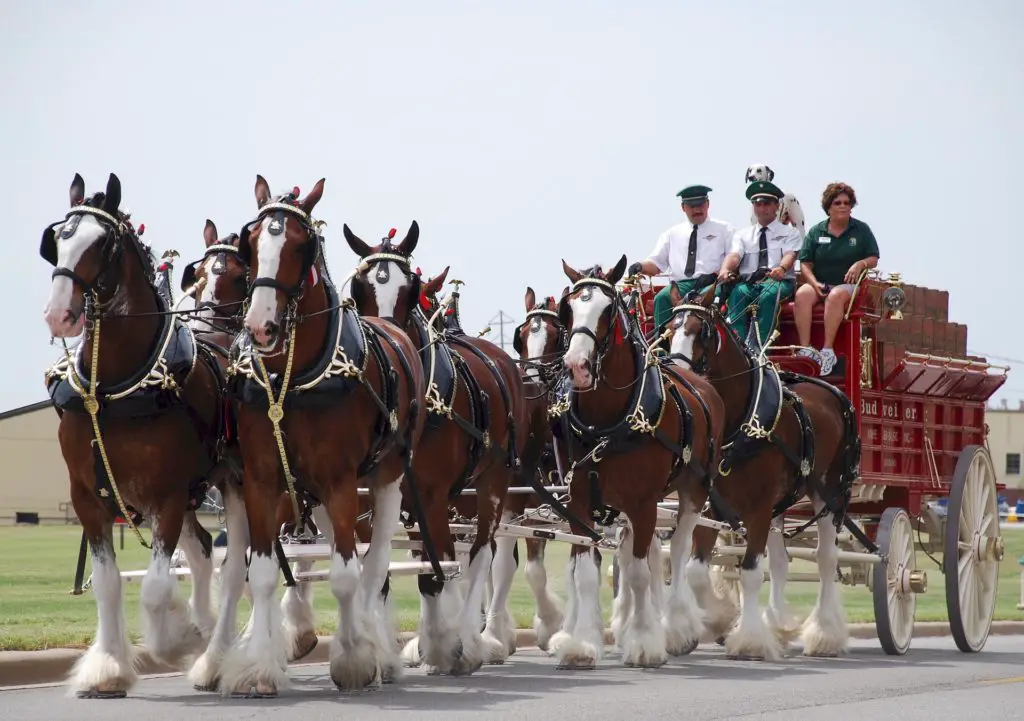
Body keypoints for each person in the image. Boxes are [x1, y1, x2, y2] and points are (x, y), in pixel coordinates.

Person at [793, 182, 879, 375]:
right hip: (820, 282)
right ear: (828, 207)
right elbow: (805, 263)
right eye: (837, 202)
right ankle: (805, 349)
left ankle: (827, 350)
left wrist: (860, 264)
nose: (843, 206)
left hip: (847, 286)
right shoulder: (816, 231)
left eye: (847, 203)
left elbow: (873, 257)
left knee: (835, 296)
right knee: (802, 295)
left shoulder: (861, 230)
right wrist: (814, 283)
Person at [628, 184, 735, 330]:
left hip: (712, 283)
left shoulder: (725, 229)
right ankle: (663, 350)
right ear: (683, 207)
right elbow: (656, 263)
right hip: (681, 285)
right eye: (691, 205)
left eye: (701, 204)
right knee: (662, 298)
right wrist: (640, 266)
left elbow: (734, 256)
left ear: (708, 204)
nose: (697, 210)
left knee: (714, 296)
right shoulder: (672, 234)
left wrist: (718, 275)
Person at [719, 180, 802, 349]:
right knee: (737, 294)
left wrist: (782, 268)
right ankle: (738, 349)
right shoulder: (743, 235)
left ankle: (760, 349)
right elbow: (734, 255)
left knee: (768, 296)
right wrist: (725, 269)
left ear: (777, 206)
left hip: (778, 281)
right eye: (757, 204)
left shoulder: (789, 233)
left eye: (766, 204)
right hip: (749, 283)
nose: (762, 208)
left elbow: (790, 255)